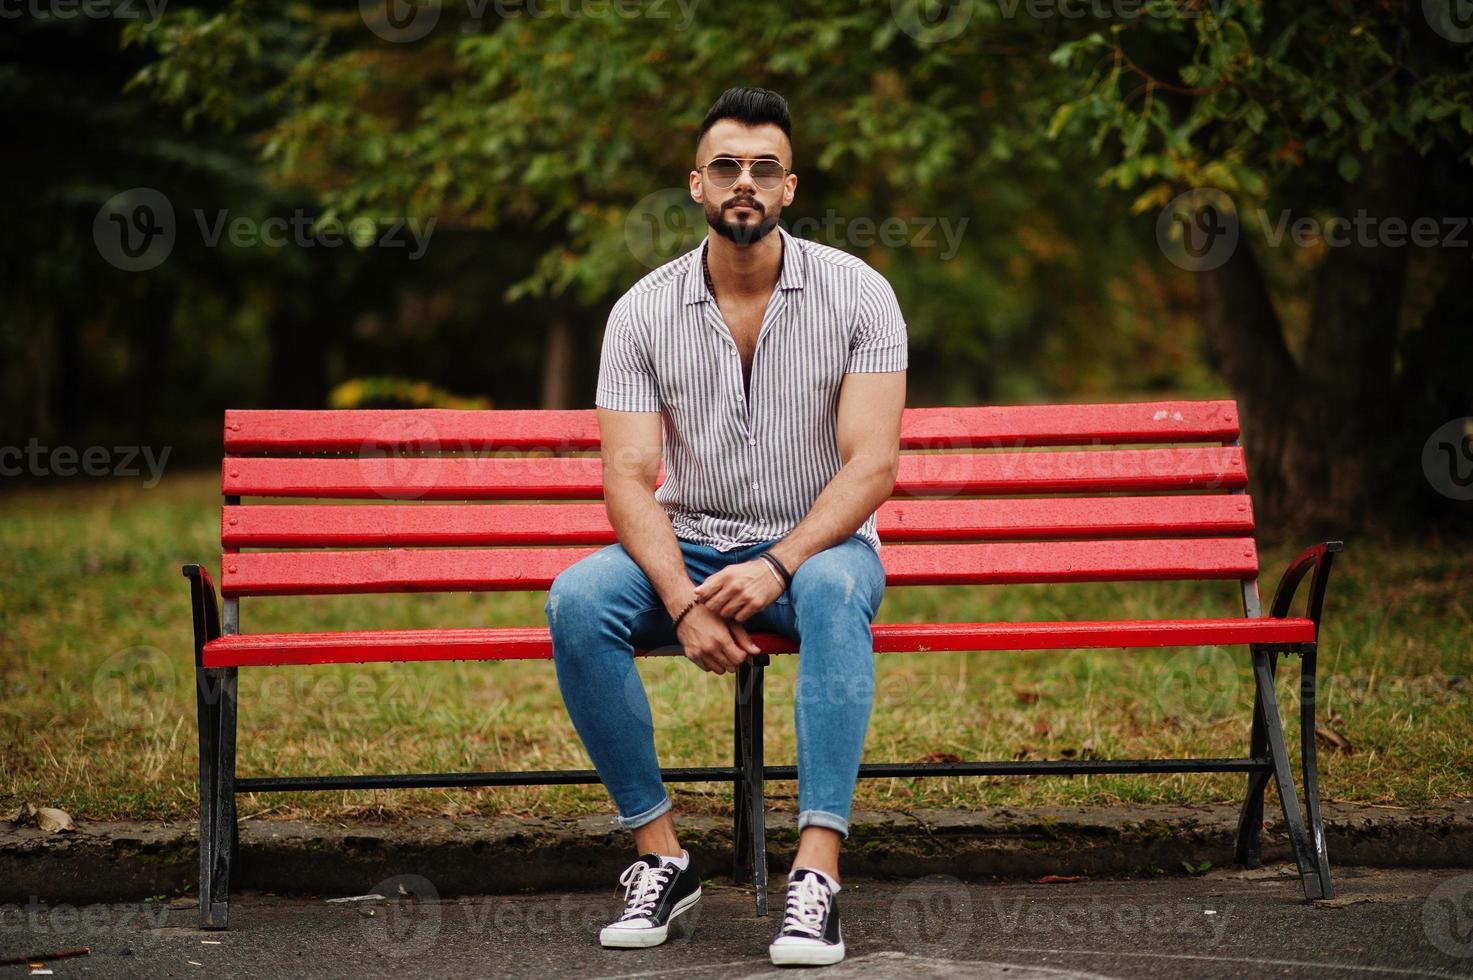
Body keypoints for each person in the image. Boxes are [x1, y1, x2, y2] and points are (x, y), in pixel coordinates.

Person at [544, 85, 907, 967]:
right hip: (694, 544)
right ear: (696, 186)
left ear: (789, 188)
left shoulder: (859, 294)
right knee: (577, 598)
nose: (744, 181)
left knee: (829, 590)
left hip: (820, 547)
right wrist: (678, 599)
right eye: (725, 166)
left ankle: (815, 875)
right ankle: (659, 855)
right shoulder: (641, 310)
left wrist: (779, 563)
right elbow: (628, 477)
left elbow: (871, 466)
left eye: (763, 168)